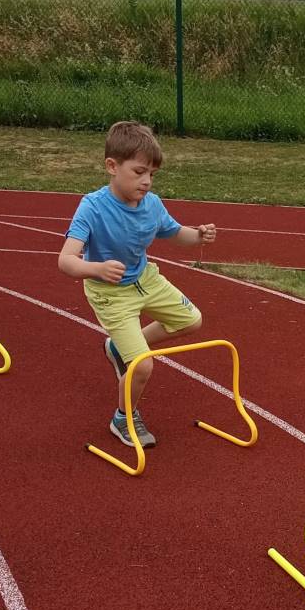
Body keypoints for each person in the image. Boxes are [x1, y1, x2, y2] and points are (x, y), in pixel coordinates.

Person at [58, 120, 216, 448]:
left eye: (152, 174)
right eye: (139, 172)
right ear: (112, 167)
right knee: (142, 367)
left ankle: (121, 348)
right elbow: (66, 260)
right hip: (110, 293)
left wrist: (198, 235)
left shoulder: (152, 204)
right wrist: (96, 268)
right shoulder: (92, 207)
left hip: (145, 279)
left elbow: (176, 234)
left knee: (192, 320)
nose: (146, 181)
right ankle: (123, 418)